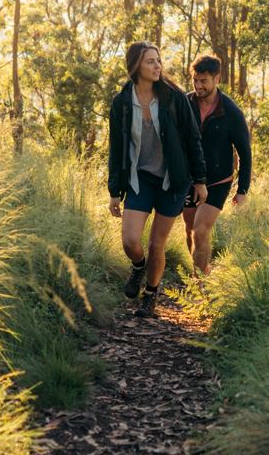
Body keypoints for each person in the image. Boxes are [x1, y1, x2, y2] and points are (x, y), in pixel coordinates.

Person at [107, 42, 208, 317]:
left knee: (156, 245)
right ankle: (138, 267)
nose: (157, 66)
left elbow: (192, 138)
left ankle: (151, 295)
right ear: (136, 65)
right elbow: (116, 148)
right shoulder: (122, 103)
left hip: (171, 180)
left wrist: (199, 179)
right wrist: (114, 191)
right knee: (130, 242)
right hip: (140, 179)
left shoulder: (173, 97)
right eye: (150, 61)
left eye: (158, 61)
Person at [181, 54, 251, 277]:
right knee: (190, 230)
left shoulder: (231, 112)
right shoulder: (185, 104)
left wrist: (242, 190)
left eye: (204, 81)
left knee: (201, 231)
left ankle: (201, 284)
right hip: (189, 179)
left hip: (218, 180)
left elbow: (245, 153)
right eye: (195, 80)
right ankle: (202, 271)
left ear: (217, 78)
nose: (198, 85)